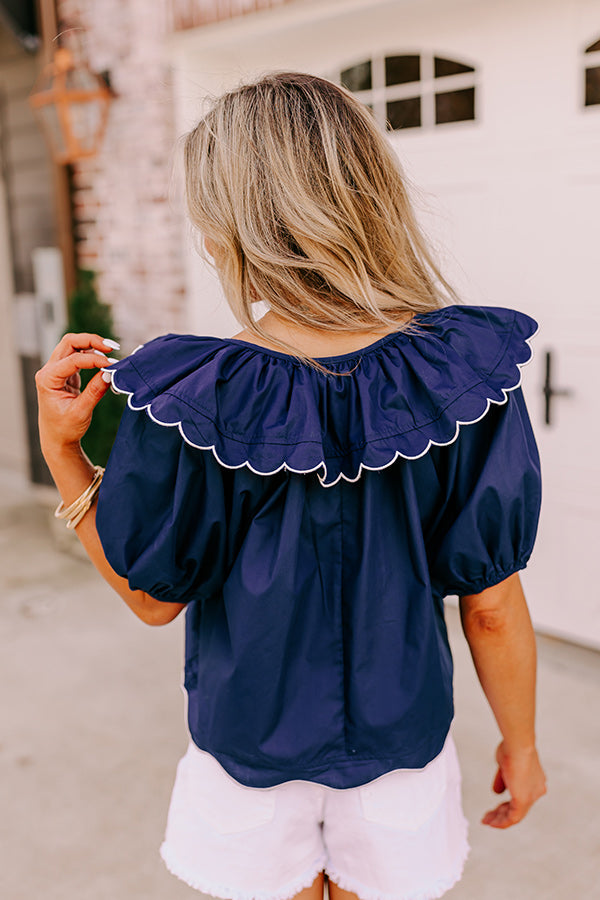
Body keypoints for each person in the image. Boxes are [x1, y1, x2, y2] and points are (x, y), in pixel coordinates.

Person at [36, 72, 547, 900]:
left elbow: (152, 598)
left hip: (247, 755)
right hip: (401, 749)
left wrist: (67, 456)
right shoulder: (465, 374)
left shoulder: (189, 395)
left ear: (228, 226)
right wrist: (520, 746)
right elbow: (489, 602)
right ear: (368, 191)